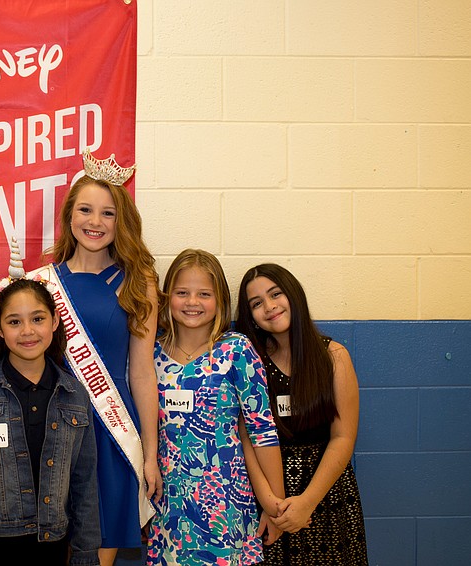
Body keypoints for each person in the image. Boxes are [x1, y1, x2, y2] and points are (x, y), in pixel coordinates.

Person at [29, 149, 162, 565]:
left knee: (99, 548)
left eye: (108, 213)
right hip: (52, 421)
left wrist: (151, 454)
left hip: (111, 428)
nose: (95, 222)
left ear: (121, 221)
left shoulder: (138, 283)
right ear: (70, 215)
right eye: (85, 209)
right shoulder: (40, 283)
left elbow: (142, 373)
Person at [0, 257, 101, 566]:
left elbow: (85, 482)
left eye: (37, 319)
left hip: (51, 542)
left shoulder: (75, 394)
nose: (27, 331)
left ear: (54, 321)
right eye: (15, 322)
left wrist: (86, 552)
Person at [147, 250, 284, 566]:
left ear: (220, 299)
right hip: (167, 506)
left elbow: (262, 431)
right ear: (168, 298)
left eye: (203, 294)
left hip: (227, 506)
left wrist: (274, 506)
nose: (192, 301)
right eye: (182, 293)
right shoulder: (149, 355)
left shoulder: (236, 350)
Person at [234, 263, 368, 565]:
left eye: (275, 294)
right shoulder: (250, 362)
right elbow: (246, 438)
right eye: (256, 303)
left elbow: (343, 437)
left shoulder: (333, 357)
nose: (269, 307)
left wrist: (307, 503)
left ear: (293, 294)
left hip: (326, 496)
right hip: (271, 499)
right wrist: (272, 506)